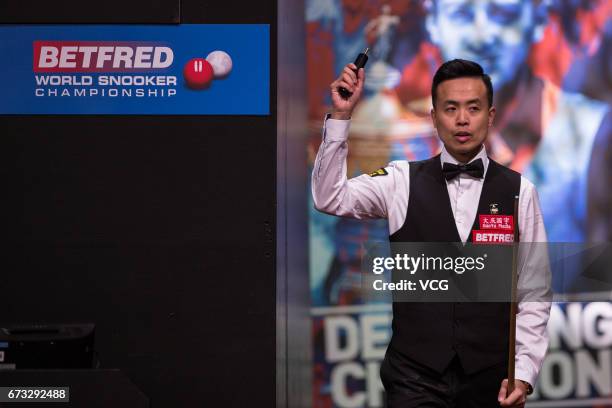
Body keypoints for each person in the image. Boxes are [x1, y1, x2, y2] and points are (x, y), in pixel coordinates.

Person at [312, 59, 551, 407]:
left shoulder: (520, 191)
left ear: (491, 115)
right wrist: (341, 116)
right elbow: (329, 197)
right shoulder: (399, 180)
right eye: (451, 108)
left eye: (474, 108)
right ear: (434, 116)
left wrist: (524, 374)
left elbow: (535, 293)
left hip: (491, 380)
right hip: (414, 378)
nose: (463, 119)